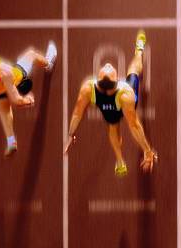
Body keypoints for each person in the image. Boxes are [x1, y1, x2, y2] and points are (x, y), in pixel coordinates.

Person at [64, 30, 157, 176]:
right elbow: (134, 125)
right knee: (113, 127)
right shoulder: (117, 91)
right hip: (115, 106)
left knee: (113, 127)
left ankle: (139, 50)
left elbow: (133, 125)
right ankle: (120, 161)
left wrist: (70, 134)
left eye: (107, 68)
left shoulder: (91, 89)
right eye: (108, 68)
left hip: (116, 106)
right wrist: (147, 150)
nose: (107, 64)